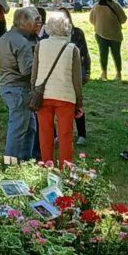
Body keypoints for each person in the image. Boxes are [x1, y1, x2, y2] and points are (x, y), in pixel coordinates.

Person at [31, 14, 83, 167]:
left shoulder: (41, 45)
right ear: (67, 28)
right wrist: (79, 102)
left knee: (45, 133)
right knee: (65, 135)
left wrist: (34, 89)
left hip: (43, 94)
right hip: (65, 96)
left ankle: (47, 164)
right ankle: (65, 168)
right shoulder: (72, 48)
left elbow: (34, 71)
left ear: (49, 28)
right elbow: (76, 79)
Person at [0, 7, 40, 163]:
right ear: (25, 23)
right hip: (19, 89)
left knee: (30, 128)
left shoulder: (5, 37)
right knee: (18, 130)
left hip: (8, 86)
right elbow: (26, 70)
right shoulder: (21, 42)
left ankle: (24, 161)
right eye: (35, 20)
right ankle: (11, 164)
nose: (38, 23)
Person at [58, 7, 91, 145]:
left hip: (76, 70)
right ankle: (64, 133)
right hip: (60, 73)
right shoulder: (53, 35)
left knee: (77, 101)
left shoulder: (77, 33)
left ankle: (81, 133)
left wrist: (86, 71)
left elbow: (84, 53)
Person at [89, 0, 127, 81]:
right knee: (116, 54)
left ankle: (104, 73)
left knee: (103, 54)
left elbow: (91, 19)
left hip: (100, 33)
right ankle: (118, 74)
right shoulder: (116, 5)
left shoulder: (96, 7)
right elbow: (123, 19)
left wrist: (99, 25)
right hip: (116, 34)